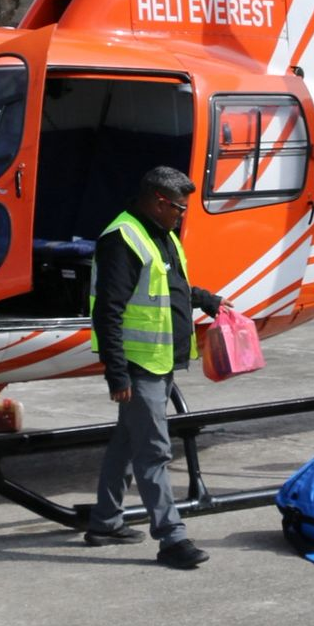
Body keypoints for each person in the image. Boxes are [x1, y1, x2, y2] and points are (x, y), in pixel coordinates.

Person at [86, 166, 221, 570]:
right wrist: (117, 372)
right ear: (159, 202)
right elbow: (106, 311)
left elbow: (169, 286)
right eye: (179, 208)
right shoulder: (122, 239)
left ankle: (105, 523)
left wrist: (204, 299)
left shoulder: (161, 235)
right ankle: (171, 539)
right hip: (137, 364)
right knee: (154, 452)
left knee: (127, 443)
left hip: (161, 360)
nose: (183, 215)